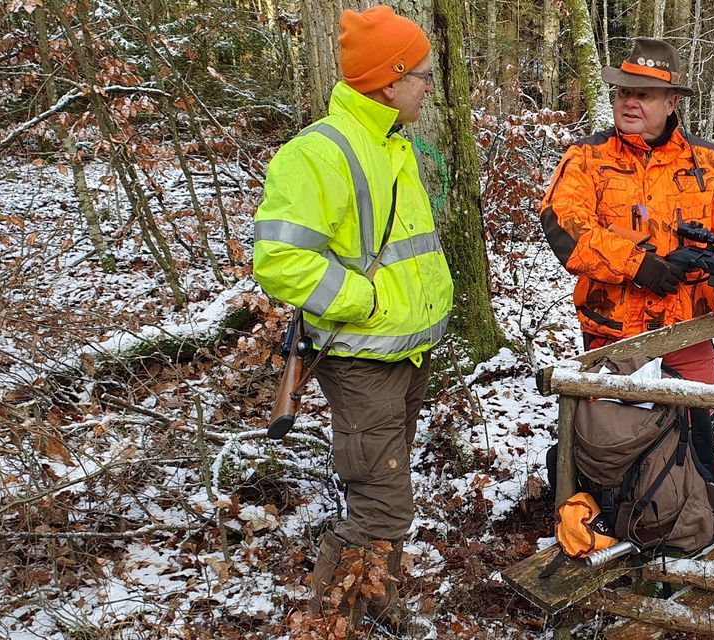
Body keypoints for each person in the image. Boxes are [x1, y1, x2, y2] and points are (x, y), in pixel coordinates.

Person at [251, 5, 452, 634]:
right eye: (421, 74)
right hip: (362, 359)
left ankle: (374, 599)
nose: (429, 84)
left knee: (383, 492)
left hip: (402, 355)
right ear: (390, 81)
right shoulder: (322, 153)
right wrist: (363, 302)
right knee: (381, 506)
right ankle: (325, 620)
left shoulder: (390, 144)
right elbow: (279, 261)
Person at [539, 38, 714, 478]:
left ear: (671, 101)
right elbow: (563, 223)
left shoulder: (709, 162)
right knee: (610, 447)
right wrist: (637, 264)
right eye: (624, 93)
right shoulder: (588, 158)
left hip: (690, 331)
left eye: (644, 94)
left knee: (696, 442)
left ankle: (689, 522)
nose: (630, 102)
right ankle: (610, 518)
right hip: (614, 337)